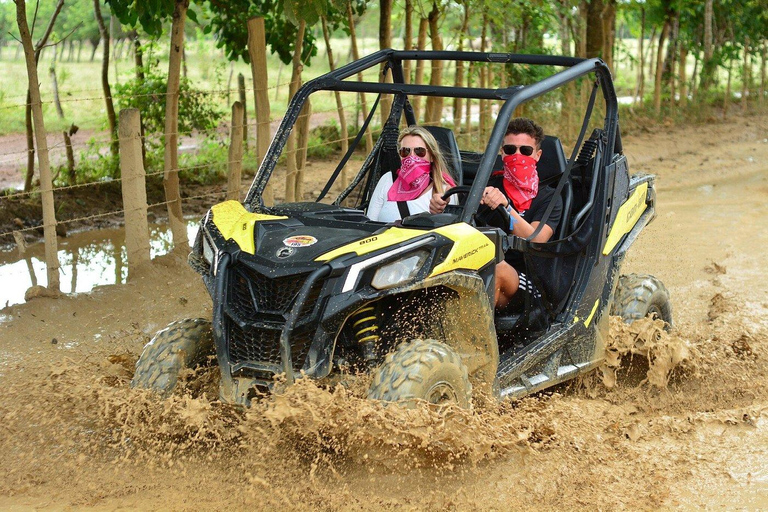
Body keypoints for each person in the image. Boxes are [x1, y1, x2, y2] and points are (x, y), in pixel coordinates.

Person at [430, 118, 562, 311]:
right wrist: (440, 208)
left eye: (525, 151)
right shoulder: (489, 185)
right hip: (477, 265)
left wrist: (507, 207)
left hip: (527, 278)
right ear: (502, 152)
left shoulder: (549, 197)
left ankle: (469, 339)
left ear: (537, 155)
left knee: (494, 268)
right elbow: (462, 224)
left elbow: (537, 239)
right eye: (510, 150)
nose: (517, 156)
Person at [367, 125, 457, 223]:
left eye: (419, 151)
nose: (412, 157)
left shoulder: (445, 190)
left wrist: (441, 211)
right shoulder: (388, 179)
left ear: (432, 156)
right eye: (405, 151)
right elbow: (370, 223)